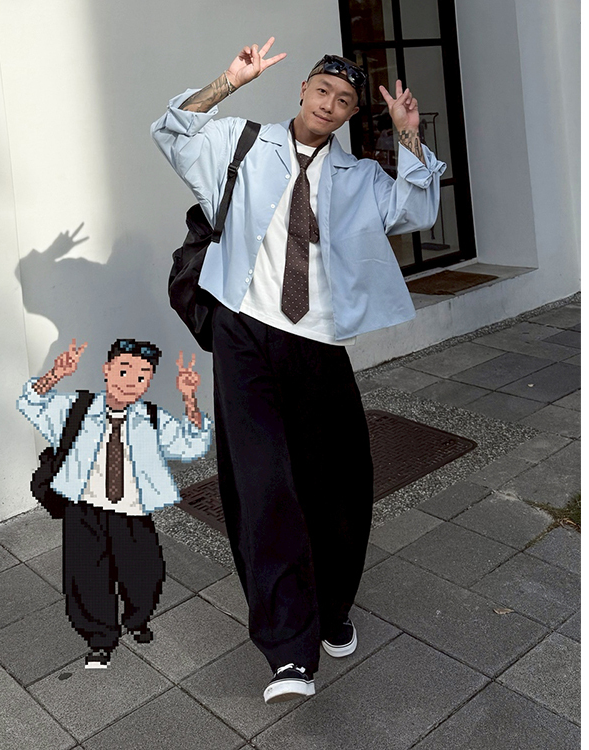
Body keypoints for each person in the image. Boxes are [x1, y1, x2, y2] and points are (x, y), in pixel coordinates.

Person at [151, 38, 445, 703]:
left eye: (343, 100)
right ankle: (289, 650)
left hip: (316, 343)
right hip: (244, 334)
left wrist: (408, 135)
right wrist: (228, 81)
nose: (329, 105)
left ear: (350, 115)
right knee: (261, 489)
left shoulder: (359, 177)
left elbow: (418, 208)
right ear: (302, 91)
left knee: (339, 485)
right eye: (322, 91)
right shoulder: (242, 144)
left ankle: (332, 606)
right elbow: (172, 131)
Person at [17, 338, 212, 668]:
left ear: (149, 381)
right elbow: (30, 403)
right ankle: (99, 639)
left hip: (131, 512)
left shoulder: (152, 418)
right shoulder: (77, 409)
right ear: (107, 370)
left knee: (145, 574)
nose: (130, 381)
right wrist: (55, 374)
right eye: (123, 370)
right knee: (86, 577)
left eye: (142, 375)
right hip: (84, 508)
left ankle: (137, 619)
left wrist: (189, 397)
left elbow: (192, 445)